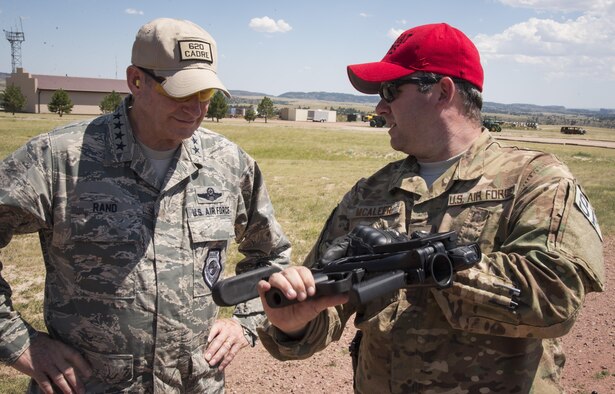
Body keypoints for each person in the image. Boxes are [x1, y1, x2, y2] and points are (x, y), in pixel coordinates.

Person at [256, 23, 604, 393]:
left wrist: (423, 262)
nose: (380, 106)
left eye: (390, 90)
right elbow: (325, 307)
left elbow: (556, 298)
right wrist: (293, 323)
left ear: (442, 91)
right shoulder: (370, 193)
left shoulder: (534, 180)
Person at [0, 18, 290, 393]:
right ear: (136, 80)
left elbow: (271, 256)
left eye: (205, 94)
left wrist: (245, 321)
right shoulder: (59, 159)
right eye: (180, 92)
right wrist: (20, 342)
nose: (195, 108)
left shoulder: (229, 163)